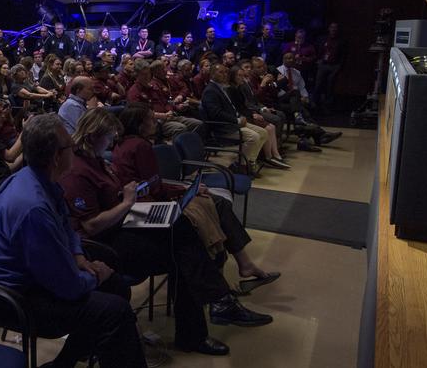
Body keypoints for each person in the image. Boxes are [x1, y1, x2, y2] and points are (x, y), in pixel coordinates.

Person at [56, 109, 272, 355]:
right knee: (184, 255)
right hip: (101, 243)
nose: (112, 143)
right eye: (109, 137)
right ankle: (212, 311)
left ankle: (216, 306)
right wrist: (127, 203)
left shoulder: (95, 159)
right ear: (94, 136)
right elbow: (91, 225)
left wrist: (131, 197)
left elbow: (116, 196)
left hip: (123, 223)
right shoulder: (77, 169)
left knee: (181, 229)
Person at [0, 113, 147, 368]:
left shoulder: (38, 179)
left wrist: (79, 257)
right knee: (113, 311)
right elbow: (68, 287)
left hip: (27, 277)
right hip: (7, 297)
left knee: (115, 287)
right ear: (56, 157)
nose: (74, 150)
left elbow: (65, 224)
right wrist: (96, 276)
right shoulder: (32, 207)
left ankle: (64, 363)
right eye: (70, 147)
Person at [113, 103, 282, 290]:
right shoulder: (139, 146)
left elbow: (153, 183)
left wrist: (185, 190)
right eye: (151, 119)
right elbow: (153, 186)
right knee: (211, 206)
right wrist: (184, 191)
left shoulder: (129, 143)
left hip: (147, 199)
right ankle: (223, 283)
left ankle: (239, 268)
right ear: (139, 125)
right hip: (145, 207)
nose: (156, 122)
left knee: (215, 203)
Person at [125, 60, 203, 141]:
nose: (147, 76)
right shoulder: (134, 92)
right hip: (153, 123)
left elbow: (166, 102)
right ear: (136, 75)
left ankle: (195, 149)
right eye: (143, 74)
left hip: (169, 116)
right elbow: (141, 115)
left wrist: (171, 110)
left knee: (198, 124)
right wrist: (162, 115)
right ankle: (176, 151)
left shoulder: (153, 87)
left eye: (148, 73)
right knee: (180, 128)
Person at [314, 22, 345, 111]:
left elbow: (343, 55)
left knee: (330, 85)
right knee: (318, 84)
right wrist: (318, 60)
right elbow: (318, 50)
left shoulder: (341, 41)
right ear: (329, 28)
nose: (333, 29)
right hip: (323, 64)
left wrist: (339, 66)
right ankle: (315, 104)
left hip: (334, 66)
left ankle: (328, 106)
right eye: (332, 27)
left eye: (335, 27)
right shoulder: (323, 39)